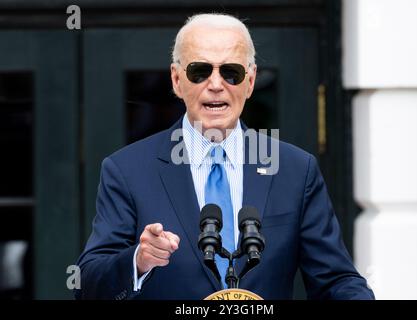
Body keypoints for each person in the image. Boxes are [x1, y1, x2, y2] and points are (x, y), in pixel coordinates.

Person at [75, 13, 375, 300]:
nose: (216, 84)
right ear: (177, 80)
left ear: (250, 81)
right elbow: (87, 285)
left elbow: (336, 280)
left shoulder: (295, 170)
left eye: (231, 72)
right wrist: (138, 261)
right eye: (200, 71)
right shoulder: (128, 170)